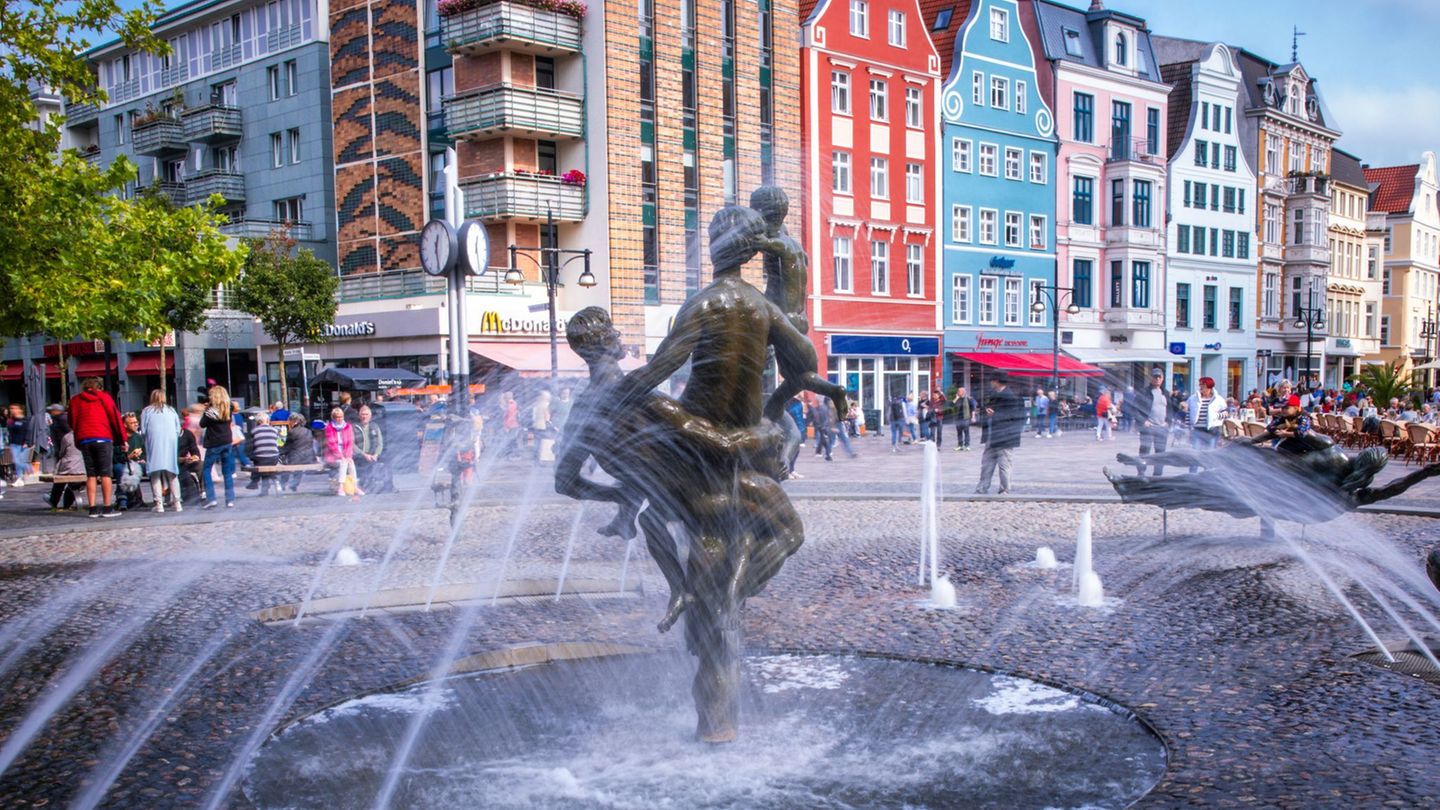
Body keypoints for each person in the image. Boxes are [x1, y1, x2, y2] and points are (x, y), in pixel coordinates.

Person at [69, 377, 126, 518]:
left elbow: (71, 420)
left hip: (85, 439)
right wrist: (123, 439)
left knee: (91, 474)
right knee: (106, 473)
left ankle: (93, 509)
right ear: (99, 387)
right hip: (102, 437)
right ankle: (107, 508)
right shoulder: (104, 398)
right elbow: (115, 418)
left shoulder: (75, 400)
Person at [976, 375, 1023, 494]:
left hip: (1005, 436)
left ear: (997, 381)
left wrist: (993, 415)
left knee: (1004, 464)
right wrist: (986, 411)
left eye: (992, 380)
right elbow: (988, 409)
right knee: (986, 464)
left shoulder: (1010, 396)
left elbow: (1012, 417)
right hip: (992, 436)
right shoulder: (995, 394)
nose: (991, 382)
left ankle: (1004, 489)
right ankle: (982, 488)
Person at [141, 389, 183, 513]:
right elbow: (178, 429)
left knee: (155, 473)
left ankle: (159, 503)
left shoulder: (147, 411)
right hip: (170, 443)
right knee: (172, 473)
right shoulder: (171, 410)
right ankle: (177, 502)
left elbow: (143, 430)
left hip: (154, 442)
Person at [1127, 369, 1174, 476]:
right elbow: (1134, 408)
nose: (1157, 379)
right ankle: (1141, 473)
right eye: (1155, 377)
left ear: (1162, 379)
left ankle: (1157, 476)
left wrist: (1168, 422)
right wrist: (1143, 421)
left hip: (1162, 428)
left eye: (1159, 377)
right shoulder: (1144, 392)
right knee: (1145, 451)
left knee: (1161, 453)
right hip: (1148, 427)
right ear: (1151, 378)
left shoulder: (1165, 393)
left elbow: (1170, 410)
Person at [199, 385, 238, 509]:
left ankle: (212, 498)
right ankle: (230, 500)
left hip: (214, 443)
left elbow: (202, 424)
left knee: (206, 469)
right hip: (227, 441)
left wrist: (206, 410)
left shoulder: (211, 411)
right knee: (227, 472)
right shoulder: (228, 408)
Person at [45, 406, 84, 511]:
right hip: (84, 467)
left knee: (61, 478)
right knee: (72, 481)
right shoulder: (86, 435)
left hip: (71, 465)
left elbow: (62, 453)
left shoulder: (67, 437)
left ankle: (54, 501)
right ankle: (66, 503)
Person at [1186, 377, 1226, 473]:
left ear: (1209, 387)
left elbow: (1225, 413)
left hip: (1212, 430)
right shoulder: (1193, 398)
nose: (1200, 387)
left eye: (1203, 385)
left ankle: (1208, 475)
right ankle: (1192, 476)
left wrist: (1216, 416)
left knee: (1209, 455)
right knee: (1195, 454)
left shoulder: (1218, 399)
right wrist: (1188, 427)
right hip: (1197, 429)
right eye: (1200, 385)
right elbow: (1188, 412)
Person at [354, 405, 393, 493]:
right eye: (362, 414)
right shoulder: (354, 427)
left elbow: (380, 443)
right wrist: (364, 454)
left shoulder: (375, 426)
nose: (364, 416)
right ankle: (365, 485)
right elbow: (352, 445)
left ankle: (388, 487)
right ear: (359, 416)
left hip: (373, 455)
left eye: (366, 414)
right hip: (360, 456)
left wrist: (376, 454)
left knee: (388, 461)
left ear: (370, 416)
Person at [324, 407, 359, 497]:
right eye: (337, 417)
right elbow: (331, 444)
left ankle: (355, 486)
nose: (340, 419)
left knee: (351, 463)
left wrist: (348, 456)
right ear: (333, 417)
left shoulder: (347, 426)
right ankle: (341, 486)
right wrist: (340, 456)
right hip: (333, 455)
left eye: (341, 417)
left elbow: (349, 443)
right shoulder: (329, 427)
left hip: (345, 453)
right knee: (343, 463)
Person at [279, 413, 317, 491]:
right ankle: (294, 484)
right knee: (297, 465)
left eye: (290, 421)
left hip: (296, 458)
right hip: (308, 458)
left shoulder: (292, 432)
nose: (289, 422)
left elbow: (287, 446)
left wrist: (280, 451)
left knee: (285, 465)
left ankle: (283, 484)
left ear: (295, 421)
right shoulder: (308, 431)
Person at [115, 412, 145, 510]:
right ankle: (122, 500)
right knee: (122, 470)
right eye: (132, 423)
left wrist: (142, 459)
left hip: (137, 463)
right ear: (125, 425)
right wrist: (129, 457)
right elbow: (114, 457)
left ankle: (158, 498)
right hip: (122, 463)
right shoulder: (118, 438)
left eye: (136, 422)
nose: (136, 424)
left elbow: (145, 452)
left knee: (153, 468)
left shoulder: (138, 437)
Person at [247, 413, 281, 495]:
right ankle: (275, 482)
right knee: (269, 466)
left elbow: (251, 446)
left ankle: (257, 484)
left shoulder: (254, 430)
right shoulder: (274, 430)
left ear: (258, 422)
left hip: (260, 458)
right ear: (268, 420)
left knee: (259, 461)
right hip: (274, 457)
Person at [6, 403, 31, 486]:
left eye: (14, 408)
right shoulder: (11, 420)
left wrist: (27, 442)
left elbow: (28, 431)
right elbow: (9, 431)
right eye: (11, 408)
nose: (12, 410)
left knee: (18, 461)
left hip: (23, 444)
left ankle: (28, 468)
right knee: (16, 462)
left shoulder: (25, 420)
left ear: (20, 410)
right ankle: (19, 479)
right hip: (14, 443)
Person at [952, 387, 976, 451]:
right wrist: (956, 398)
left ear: (963, 392)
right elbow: (952, 405)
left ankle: (967, 445)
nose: (958, 392)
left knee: (966, 432)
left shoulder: (968, 399)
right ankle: (960, 445)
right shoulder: (957, 399)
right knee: (959, 433)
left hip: (965, 418)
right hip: (958, 418)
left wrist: (973, 417)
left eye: (959, 391)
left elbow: (973, 408)